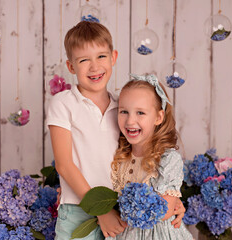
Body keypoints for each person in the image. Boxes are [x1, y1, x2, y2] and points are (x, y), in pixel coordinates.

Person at [47, 21, 185, 240]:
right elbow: (64, 164)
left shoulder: (123, 107)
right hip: (78, 210)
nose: (94, 67)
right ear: (71, 67)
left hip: (119, 213)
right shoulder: (63, 103)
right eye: (84, 60)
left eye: (101, 57)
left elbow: (138, 160)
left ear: (113, 57)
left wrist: (172, 201)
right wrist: (100, 210)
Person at [107, 74, 193, 239]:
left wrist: (130, 210)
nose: (130, 121)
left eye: (140, 112)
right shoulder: (119, 154)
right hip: (123, 232)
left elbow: (166, 209)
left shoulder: (167, 159)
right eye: (124, 111)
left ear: (158, 117)